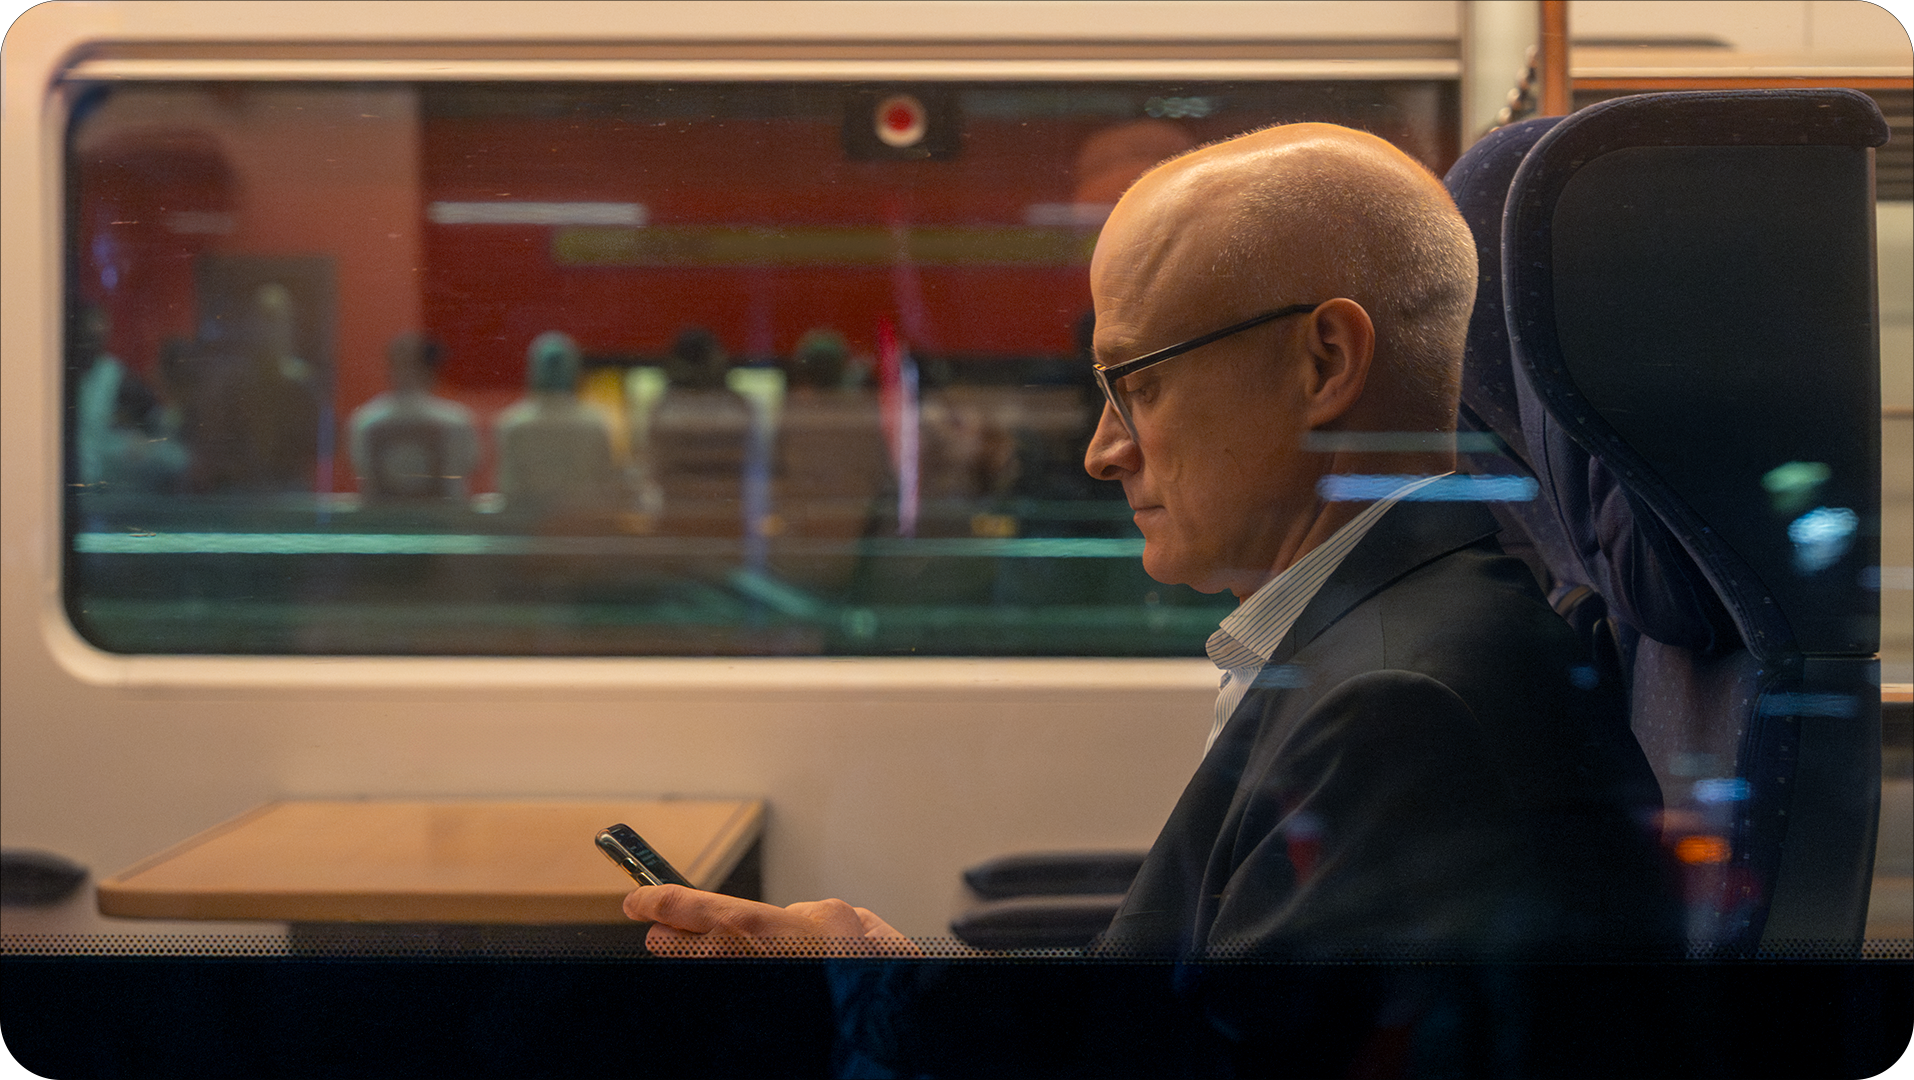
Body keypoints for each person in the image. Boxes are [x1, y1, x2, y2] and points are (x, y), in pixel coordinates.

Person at [623, 122, 1676, 959]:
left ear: (1322, 362)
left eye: (1138, 385)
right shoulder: (1373, 644)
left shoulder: (1405, 711)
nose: (1100, 452)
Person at [493, 331, 624, 513]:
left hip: (531, 528)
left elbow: (510, 490)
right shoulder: (594, 423)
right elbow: (605, 484)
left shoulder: (514, 423)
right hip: (581, 525)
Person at [348, 332, 479, 501]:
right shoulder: (457, 420)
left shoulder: (366, 419)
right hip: (433, 519)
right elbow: (469, 466)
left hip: (392, 520)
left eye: (409, 364)